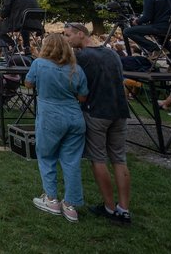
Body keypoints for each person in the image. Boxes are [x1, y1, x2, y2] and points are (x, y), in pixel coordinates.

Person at [63, 23, 132, 225]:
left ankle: (110, 207)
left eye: (68, 35)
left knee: (98, 159)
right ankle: (124, 208)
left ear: (80, 34)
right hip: (119, 111)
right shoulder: (112, 54)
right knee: (119, 159)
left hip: (97, 112)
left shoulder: (82, 57)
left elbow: (74, 84)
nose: (66, 39)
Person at [24, 33, 88, 223]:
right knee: (72, 161)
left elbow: (28, 83)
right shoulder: (76, 68)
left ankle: (51, 198)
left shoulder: (39, 64)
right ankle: (70, 205)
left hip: (50, 117)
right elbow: (83, 96)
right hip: (75, 118)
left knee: (47, 156)